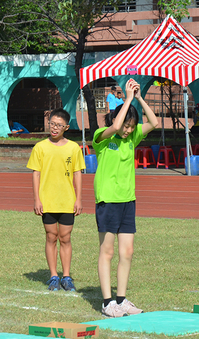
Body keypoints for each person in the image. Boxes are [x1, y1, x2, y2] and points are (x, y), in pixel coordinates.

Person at [93, 79, 158, 317]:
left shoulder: (132, 138)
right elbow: (115, 126)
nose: (128, 130)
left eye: (132, 126)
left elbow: (155, 121)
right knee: (107, 252)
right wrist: (127, 99)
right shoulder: (103, 136)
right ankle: (107, 302)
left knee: (127, 252)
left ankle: (121, 299)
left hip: (127, 200)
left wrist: (139, 97)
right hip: (108, 200)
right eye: (126, 126)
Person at [27, 108, 85, 292]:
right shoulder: (40, 147)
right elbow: (36, 174)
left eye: (59, 125)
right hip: (48, 200)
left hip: (67, 200)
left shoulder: (73, 148)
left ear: (66, 127)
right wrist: (37, 199)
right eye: (52, 124)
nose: (54, 128)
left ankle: (66, 276)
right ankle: (53, 276)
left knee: (65, 238)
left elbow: (78, 173)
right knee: (51, 237)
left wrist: (79, 199)